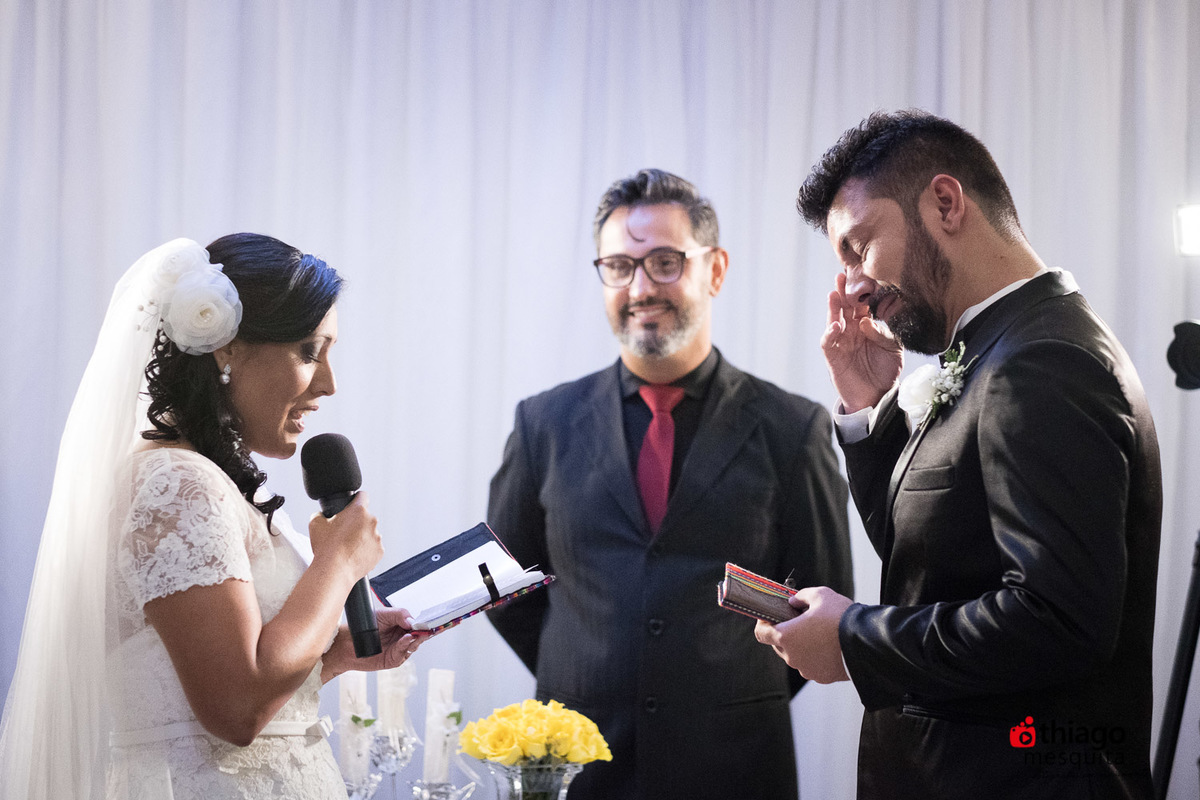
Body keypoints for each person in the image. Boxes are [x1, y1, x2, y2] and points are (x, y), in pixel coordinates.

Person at [754, 110, 1161, 798]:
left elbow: (1055, 621)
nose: (852, 285)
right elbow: (931, 567)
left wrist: (854, 641)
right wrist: (868, 410)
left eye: (858, 247)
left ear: (945, 203)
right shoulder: (993, 348)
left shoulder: (1045, 359)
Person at [0, 235, 425, 800]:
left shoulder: (204, 479)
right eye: (308, 351)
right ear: (226, 350)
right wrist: (339, 564)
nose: (329, 382)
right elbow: (235, 711)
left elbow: (202, 692)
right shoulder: (175, 481)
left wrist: (334, 652)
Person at [486, 168, 854, 799]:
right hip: (575, 762)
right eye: (619, 267)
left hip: (734, 765)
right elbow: (504, 583)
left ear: (714, 270)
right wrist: (582, 667)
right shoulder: (543, 422)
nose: (640, 288)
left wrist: (725, 689)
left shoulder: (793, 428)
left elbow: (821, 601)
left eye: (663, 262)